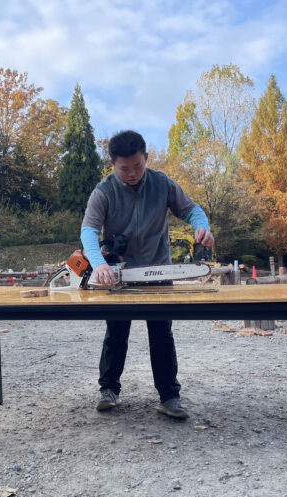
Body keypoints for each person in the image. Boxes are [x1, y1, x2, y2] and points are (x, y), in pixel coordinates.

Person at [81, 130, 215, 419]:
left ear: (146, 158)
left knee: (161, 334)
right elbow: (88, 231)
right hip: (118, 275)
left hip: (159, 271)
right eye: (124, 168)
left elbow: (191, 210)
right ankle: (108, 390)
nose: (132, 173)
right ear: (112, 164)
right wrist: (98, 263)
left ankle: (169, 396)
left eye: (138, 166)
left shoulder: (163, 183)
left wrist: (202, 225)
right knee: (116, 332)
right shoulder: (102, 192)